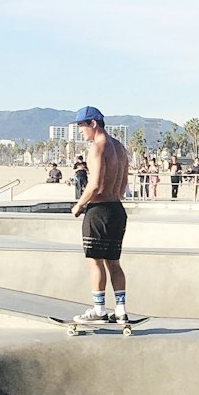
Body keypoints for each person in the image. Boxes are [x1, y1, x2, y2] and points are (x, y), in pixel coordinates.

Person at [69, 106, 130, 325]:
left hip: (98, 211)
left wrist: (78, 205)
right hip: (117, 210)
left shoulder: (97, 149)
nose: (80, 131)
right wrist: (115, 197)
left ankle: (99, 310)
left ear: (93, 123)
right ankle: (121, 309)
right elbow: (123, 181)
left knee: (95, 263)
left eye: (81, 126)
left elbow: (94, 185)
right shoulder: (120, 148)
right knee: (114, 262)